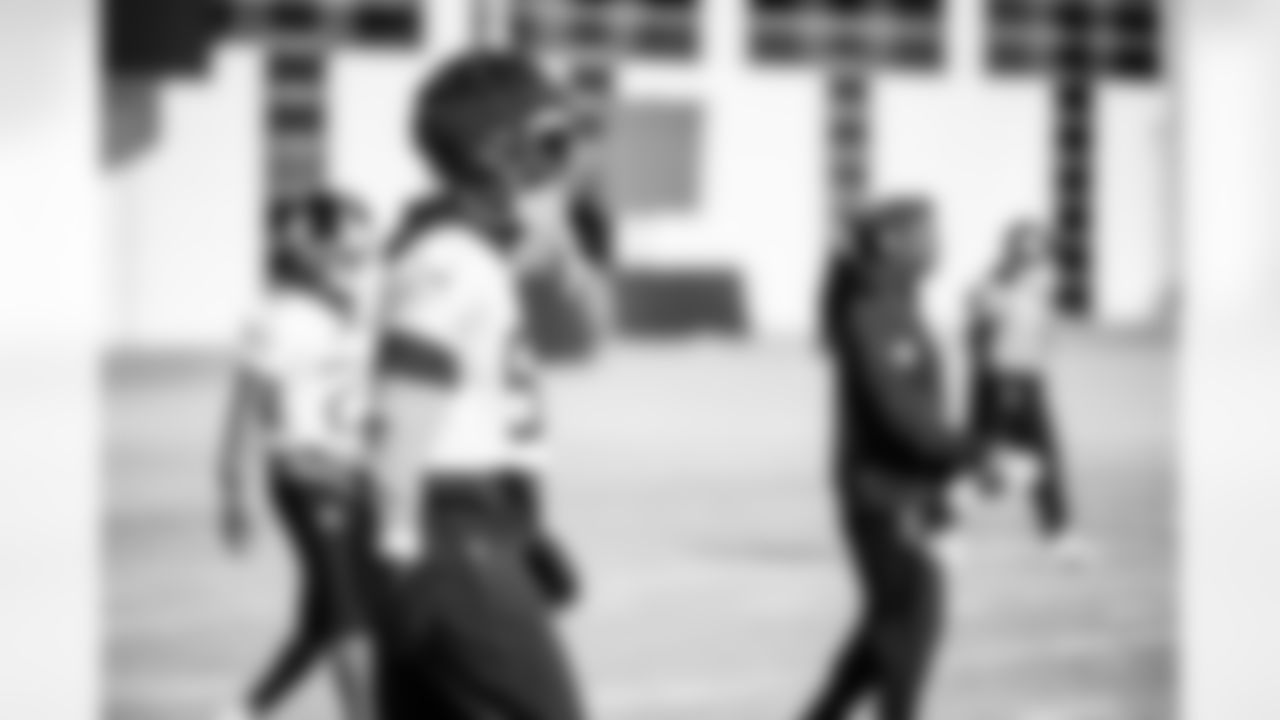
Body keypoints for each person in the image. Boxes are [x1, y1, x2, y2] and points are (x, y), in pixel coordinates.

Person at [362, 50, 592, 720]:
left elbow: (580, 338)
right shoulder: (450, 259)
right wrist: (402, 552)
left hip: (477, 522)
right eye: (555, 139)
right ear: (501, 154)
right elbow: (402, 413)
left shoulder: (479, 254)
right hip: (448, 526)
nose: (571, 157)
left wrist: (557, 240)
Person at [805, 199, 978, 720]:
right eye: (928, 235)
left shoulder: (895, 302)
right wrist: (974, 454)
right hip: (885, 498)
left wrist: (952, 472)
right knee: (910, 631)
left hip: (908, 493)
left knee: (887, 631)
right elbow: (898, 413)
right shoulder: (874, 310)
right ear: (891, 243)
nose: (940, 246)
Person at [215, 190, 380, 720]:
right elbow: (242, 409)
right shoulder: (275, 317)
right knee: (348, 617)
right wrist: (232, 490)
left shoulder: (351, 309)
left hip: (355, 475)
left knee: (324, 618)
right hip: (307, 475)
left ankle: (243, 711)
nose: (355, 261)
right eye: (345, 249)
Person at [966, 221, 1086, 561]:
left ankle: (1058, 532)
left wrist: (1040, 355)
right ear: (1010, 249)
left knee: (1041, 456)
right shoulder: (989, 288)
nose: (1034, 253)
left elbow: (1044, 331)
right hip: (1000, 380)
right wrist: (1001, 385)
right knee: (984, 461)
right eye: (1026, 246)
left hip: (1031, 378)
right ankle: (941, 522)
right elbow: (978, 342)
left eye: (1038, 247)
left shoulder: (1042, 282)